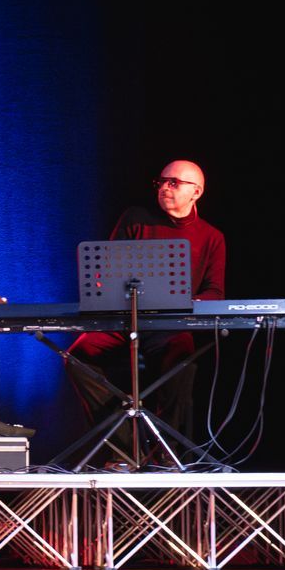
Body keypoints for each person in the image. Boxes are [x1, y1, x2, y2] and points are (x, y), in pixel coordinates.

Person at [67, 161, 226, 455]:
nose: (165, 187)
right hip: (125, 320)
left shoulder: (211, 237)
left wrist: (190, 304)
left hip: (170, 326)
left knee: (183, 360)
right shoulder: (135, 219)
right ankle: (125, 448)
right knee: (77, 357)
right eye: (161, 182)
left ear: (196, 192)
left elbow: (214, 291)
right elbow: (107, 269)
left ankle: (166, 455)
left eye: (174, 182)